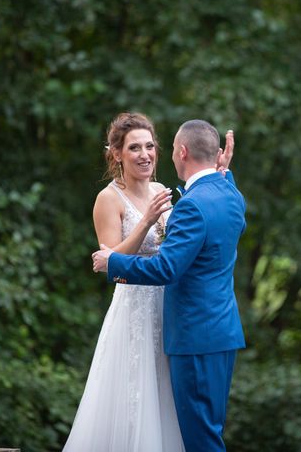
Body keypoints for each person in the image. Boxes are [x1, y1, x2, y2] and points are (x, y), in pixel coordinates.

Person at [65, 112, 226, 451]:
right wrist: (147, 220)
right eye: (134, 147)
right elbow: (110, 260)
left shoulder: (161, 190)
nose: (145, 154)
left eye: (150, 146)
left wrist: (219, 175)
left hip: (171, 308)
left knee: (172, 400)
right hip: (134, 310)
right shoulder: (108, 199)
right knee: (135, 401)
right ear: (116, 154)